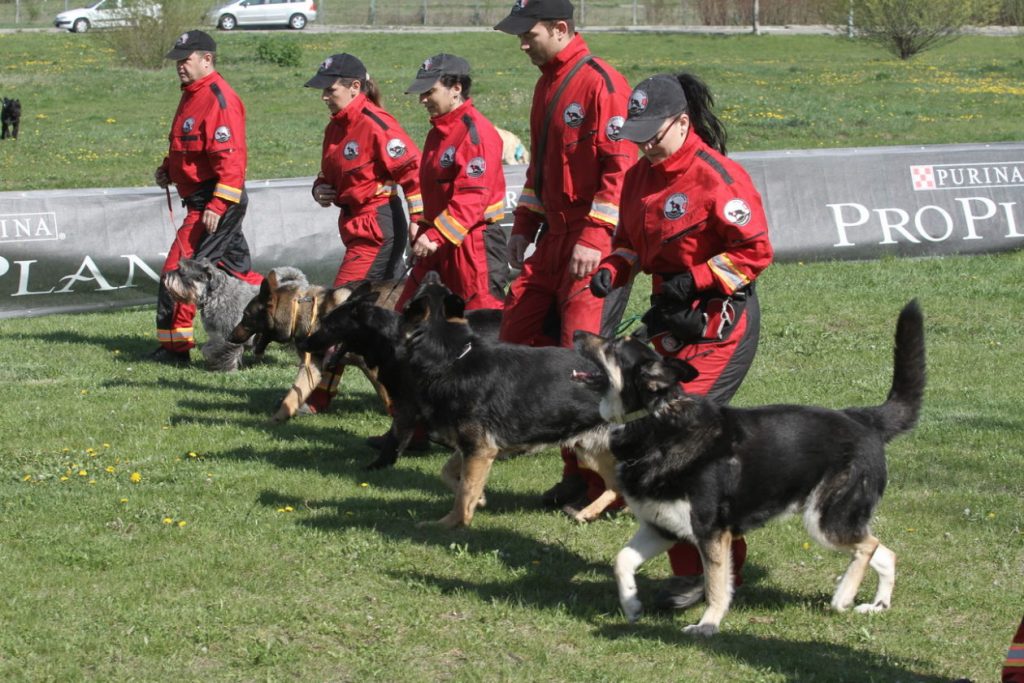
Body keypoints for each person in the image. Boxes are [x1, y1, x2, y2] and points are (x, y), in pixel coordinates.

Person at [589, 72, 774, 610]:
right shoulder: (640, 176)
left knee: (681, 440)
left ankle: (712, 570)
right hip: (671, 320)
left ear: (682, 122)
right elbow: (628, 242)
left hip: (719, 326)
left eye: (653, 132)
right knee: (659, 438)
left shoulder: (719, 177)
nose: (644, 143)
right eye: (637, 132)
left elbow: (755, 251)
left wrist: (693, 280)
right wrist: (613, 268)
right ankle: (693, 563)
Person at [494, 0, 637, 509]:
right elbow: (539, 171)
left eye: (528, 33)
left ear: (560, 28)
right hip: (552, 238)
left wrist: (596, 238)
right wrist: (525, 226)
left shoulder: (602, 83)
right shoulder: (546, 82)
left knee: (581, 364)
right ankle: (542, 442)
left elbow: (620, 169)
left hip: (586, 241)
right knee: (514, 334)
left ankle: (597, 483)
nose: (522, 43)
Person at [301, 53, 424, 414]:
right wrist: (320, 189)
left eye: (330, 88)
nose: (324, 95)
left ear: (355, 87)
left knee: (338, 312)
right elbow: (329, 174)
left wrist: (418, 219)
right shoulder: (335, 126)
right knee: (369, 321)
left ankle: (319, 396)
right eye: (322, 89)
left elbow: (411, 171)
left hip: (378, 227)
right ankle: (400, 397)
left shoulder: (375, 123)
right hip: (355, 225)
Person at [152, 30, 261, 365]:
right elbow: (189, 146)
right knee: (241, 276)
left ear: (207, 59)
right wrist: (169, 169)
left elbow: (231, 160)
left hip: (213, 205)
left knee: (179, 273)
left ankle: (176, 349)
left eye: (185, 60)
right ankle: (279, 313)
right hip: (205, 201)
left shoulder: (218, 98)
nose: (179, 67)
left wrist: (217, 205)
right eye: (178, 61)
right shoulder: (192, 93)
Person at [395, 53, 509, 312]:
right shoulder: (438, 133)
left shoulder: (475, 134)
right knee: (407, 315)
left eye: (429, 92)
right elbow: (433, 192)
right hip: (440, 240)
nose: (422, 100)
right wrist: (424, 229)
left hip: (473, 245)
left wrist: (433, 235)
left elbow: (472, 198)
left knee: (477, 323)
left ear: (456, 89)